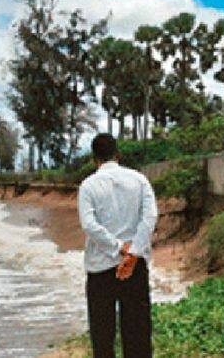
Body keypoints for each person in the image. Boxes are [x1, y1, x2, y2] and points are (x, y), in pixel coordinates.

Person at [77, 133, 158, 358]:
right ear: (118, 154)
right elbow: (150, 218)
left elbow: (89, 225)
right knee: (138, 333)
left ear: (95, 159)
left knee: (102, 336)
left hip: (100, 268)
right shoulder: (139, 180)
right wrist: (131, 253)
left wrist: (118, 248)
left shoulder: (88, 185)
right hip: (135, 266)